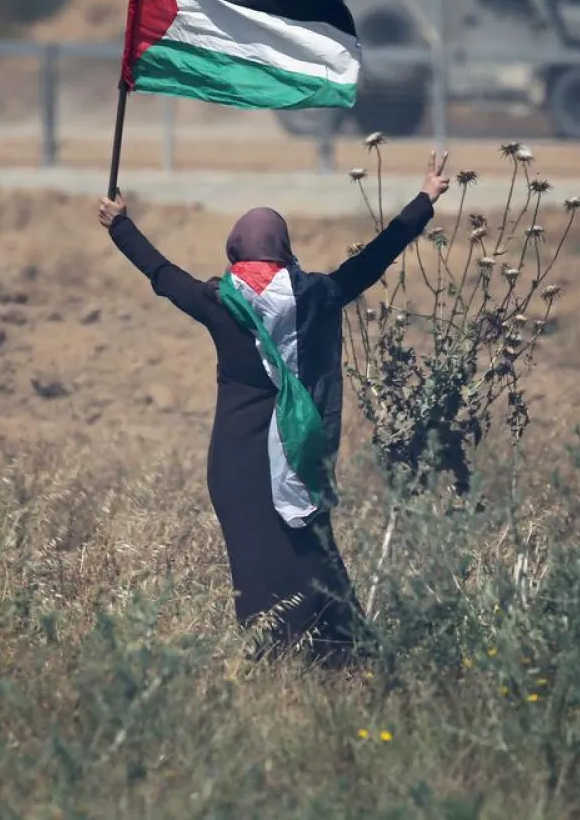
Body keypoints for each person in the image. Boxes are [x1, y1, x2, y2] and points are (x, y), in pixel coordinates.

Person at [97, 153, 451, 667]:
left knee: (255, 564)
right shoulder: (317, 295)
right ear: (284, 250)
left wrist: (121, 227)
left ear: (235, 250)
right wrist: (424, 199)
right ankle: (336, 659)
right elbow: (374, 259)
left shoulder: (218, 300)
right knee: (311, 556)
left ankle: (274, 658)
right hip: (297, 455)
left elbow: (161, 273)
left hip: (235, 462)